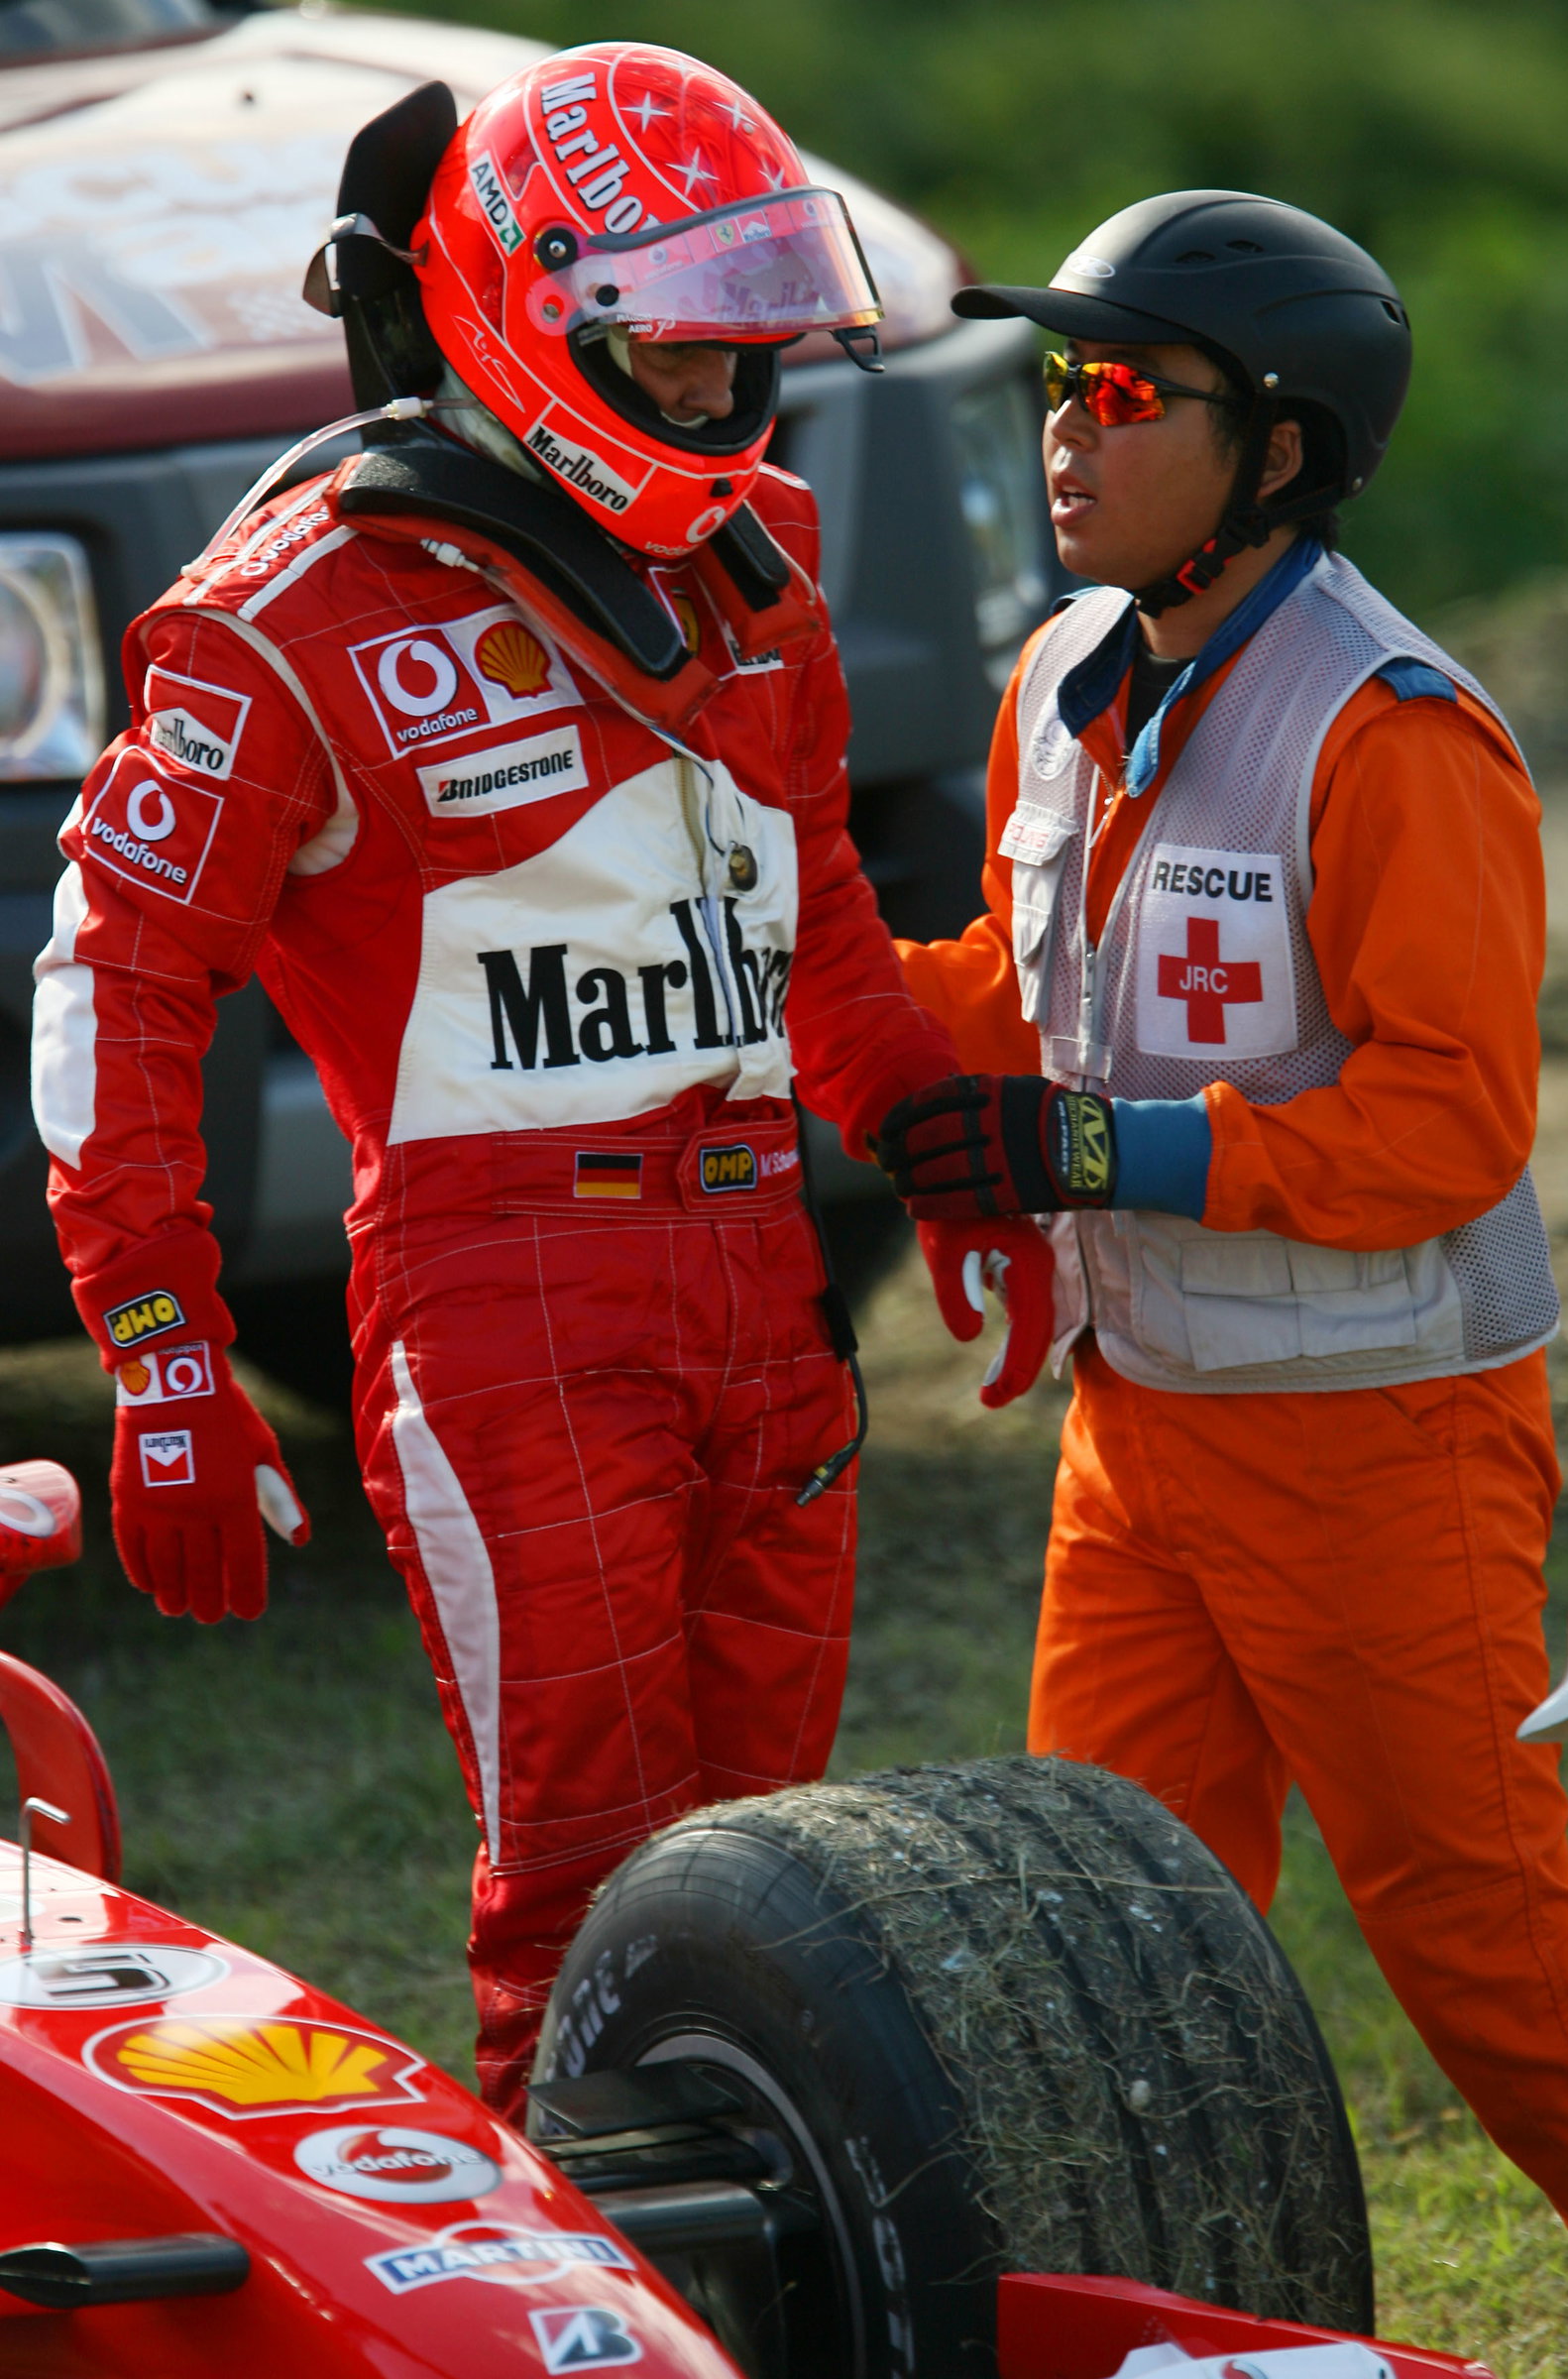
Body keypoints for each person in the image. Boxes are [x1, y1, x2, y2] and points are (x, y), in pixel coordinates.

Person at [27, 43, 1037, 2122]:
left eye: (749, 336)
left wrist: (932, 1148)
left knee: (779, 1877)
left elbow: (817, 907)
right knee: (583, 1891)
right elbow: (111, 989)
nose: (721, 390)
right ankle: (588, 2298)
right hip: (507, 1311)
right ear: (532, 309)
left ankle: (773, 2289)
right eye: (673, 348)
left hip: (764, 1281)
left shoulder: (753, 554)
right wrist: (163, 1347)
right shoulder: (285, 614)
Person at [878, 189, 1568, 2240]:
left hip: (1378, 1437)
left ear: (1271, 454)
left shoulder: (1398, 736)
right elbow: (1012, 1001)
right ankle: (1199, 2336)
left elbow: (1442, 1129)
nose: (1062, 431)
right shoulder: (1056, 678)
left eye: (1120, 390)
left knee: (1484, 1959)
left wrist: (1093, 1154)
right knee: (1104, 1942)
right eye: (1050, 383)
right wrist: (769, 948)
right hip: (1140, 1437)